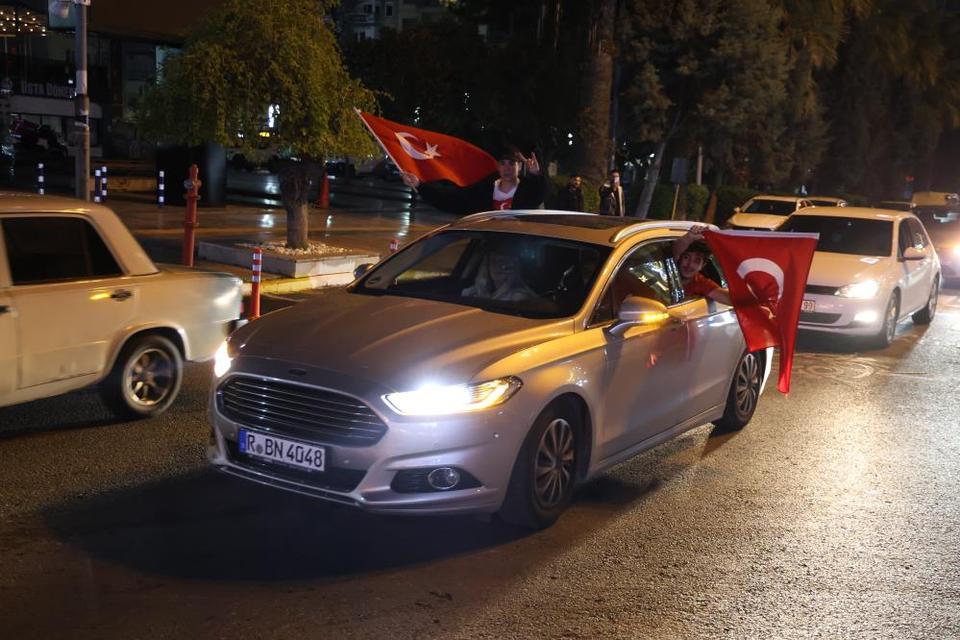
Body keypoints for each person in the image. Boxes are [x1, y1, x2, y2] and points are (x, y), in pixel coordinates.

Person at [401, 146, 546, 215]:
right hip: (487, 248)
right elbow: (452, 198)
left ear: (519, 166)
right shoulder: (484, 189)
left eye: (512, 163)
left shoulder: (528, 191)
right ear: (497, 166)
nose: (507, 168)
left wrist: (536, 175)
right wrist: (420, 185)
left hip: (519, 250)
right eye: (503, 163)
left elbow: (541, 193)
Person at [672, 225, 732, 305]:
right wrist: (689, 237)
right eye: (686, 257)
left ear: (703, 265)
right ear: (679, 258)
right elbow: (674, 251)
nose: (690, 264)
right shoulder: (667, 271)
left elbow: (731, 300)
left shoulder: (699, 282)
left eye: (697, 260)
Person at [461, 246, 537, 302]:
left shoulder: (518, 296)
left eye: (503, 262)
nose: (497, 266)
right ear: (487, 266)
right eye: (493, 261)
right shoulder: (476, 290)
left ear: (513, 267)